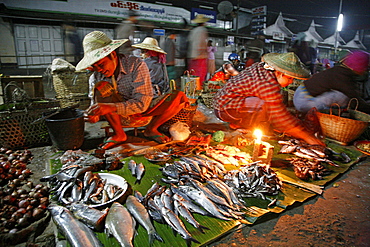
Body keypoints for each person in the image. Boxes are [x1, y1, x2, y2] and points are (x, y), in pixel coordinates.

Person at [76, 31, 189, 149]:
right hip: (116, 115)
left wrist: (111, 107)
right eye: (94, 67)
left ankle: (151, 129)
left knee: (179, 97)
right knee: (101, 86)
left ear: (113, 55)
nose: (99, 69)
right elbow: (96, 106)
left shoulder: (136, 64)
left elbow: (142, 104)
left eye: (101, 64)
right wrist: (94, 115)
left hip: (141, 107)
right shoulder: (96, 76)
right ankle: (119, 134)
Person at [213, 52, 325, 146]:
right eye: (289, 78)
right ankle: (247, 129)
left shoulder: (262, 68)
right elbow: (278, 116)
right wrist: (306, 136)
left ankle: (238, 123)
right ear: (279, 73)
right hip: (225, 109)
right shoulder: (267, 84)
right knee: (261, 104)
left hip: (227, 104)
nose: (291, 82)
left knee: (264, 106)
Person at [293, 50, 370, 114]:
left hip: (300, 95)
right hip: (303, 102)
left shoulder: (340, 70)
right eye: (366, 68)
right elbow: (354, 99)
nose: (366, 70)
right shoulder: (343, 76)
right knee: (343, 98)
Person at [187, 14, 210, 85]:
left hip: (191, 57)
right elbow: (202, 43)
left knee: (192, 76)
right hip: (200, 57)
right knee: (200, 77)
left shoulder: (193, 31)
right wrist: (205, 53)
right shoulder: (203, 30)